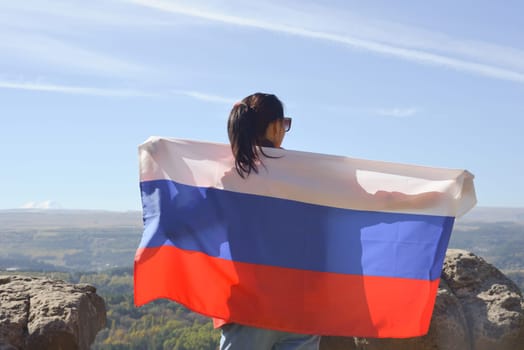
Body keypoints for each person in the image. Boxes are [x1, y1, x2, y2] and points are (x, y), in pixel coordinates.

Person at [217, 92, 320, 350]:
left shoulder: (226, 179)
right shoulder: (305, 175)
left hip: (246, 307)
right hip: (301, 308)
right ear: (274, 126)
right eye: (284, 124)